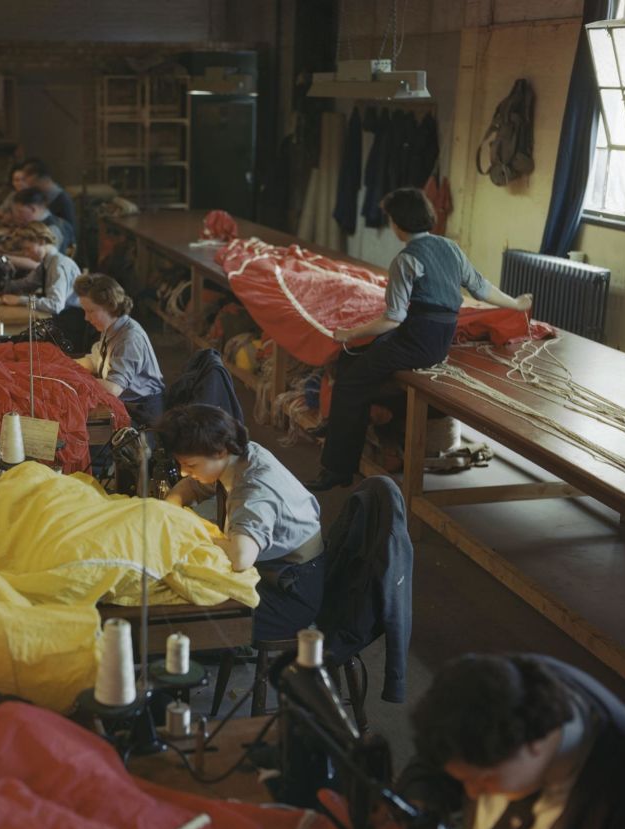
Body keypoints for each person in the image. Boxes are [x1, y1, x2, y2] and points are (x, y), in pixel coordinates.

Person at [307, 187, 533, 492]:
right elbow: (480, 287)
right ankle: (339, 425)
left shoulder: (405, 260)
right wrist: (516, 304)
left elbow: (393, 318)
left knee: (350, 383)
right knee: (351, 357)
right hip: (436, 337)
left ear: (398, 224)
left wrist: (350, 332)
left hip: (418, 342)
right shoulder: (449, 247)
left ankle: (337, 469)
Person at [399, 653, 625, 829]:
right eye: (464, 781)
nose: (470, 793)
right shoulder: (506, 685)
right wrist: (420, 803)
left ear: (534, 743)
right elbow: (442, 758)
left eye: (484, 780)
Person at [157, 404, 325, 641]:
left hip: (288, 593)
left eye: (190, 465)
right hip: (273, 568)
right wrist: (168, 508)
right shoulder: (236, 455)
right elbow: (193, 485)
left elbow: (240, 558)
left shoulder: (253, 489)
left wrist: (191, 532)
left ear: (219, 453)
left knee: (183, 616)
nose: (184, 472)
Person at [74, 273, 164, 428]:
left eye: (90, 311)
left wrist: (73, 378)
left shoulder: (129, 339)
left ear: (110, 306)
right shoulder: (111, 327)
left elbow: (114, 388)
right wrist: (65, 366)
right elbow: (96, 361)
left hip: (142, 413)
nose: (86, 318)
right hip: (128, 403)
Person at [0, 223, 81, 315]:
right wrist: (1, 286)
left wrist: (20, 300)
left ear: (42, 241)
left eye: (28, 249)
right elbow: (27, 283)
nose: (26, 254)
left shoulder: (58, 265)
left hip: (71, 319)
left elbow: (55, 305)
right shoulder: (46, 262)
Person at [21, 157, 77, 236]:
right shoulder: (40, 196)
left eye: (25, 178)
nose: (24, 182)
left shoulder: (62, 199)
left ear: (35, 176)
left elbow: (70, 233)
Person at [11, 188, 75, 254]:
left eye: (20, 212)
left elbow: (42, 259)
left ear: (32, 209)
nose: (17, 216)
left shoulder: (53, 227)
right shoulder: (36, 225)